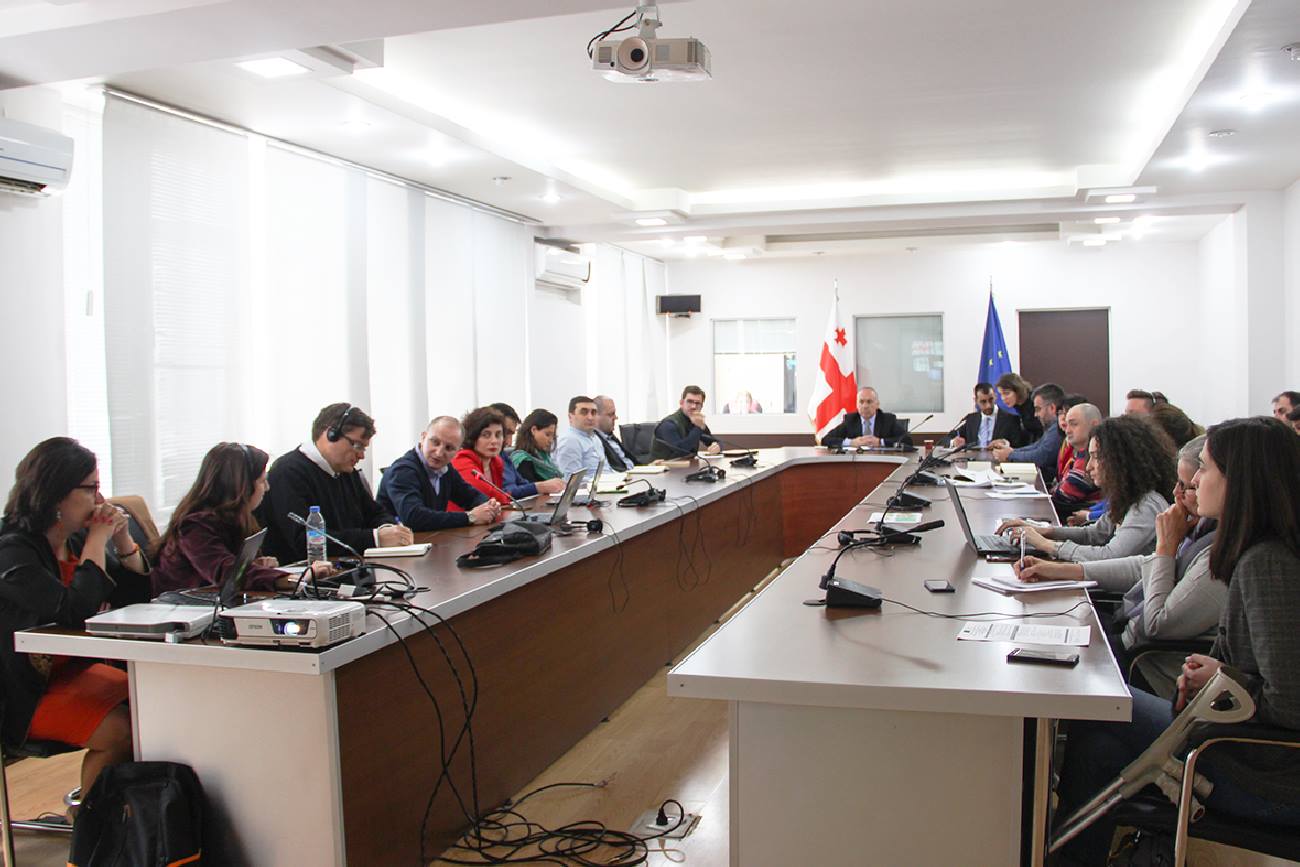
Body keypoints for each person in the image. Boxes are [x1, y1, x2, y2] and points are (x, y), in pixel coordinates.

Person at [1051, 417, 1300, 865]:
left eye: (1204, 467)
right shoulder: (1253, 550)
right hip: (1238, 745)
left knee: (1095, 701)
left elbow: (1291, 704)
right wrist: (1219, 673)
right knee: (1100, 745)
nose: (1194, 481)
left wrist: (1226, 677)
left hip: (1266, 776)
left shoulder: (1268, 563)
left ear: (1241, 480)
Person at [1016, 435, 1223, 698]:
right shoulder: (1198, 527)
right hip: (1127, 633)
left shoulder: (1211, 547)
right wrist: (1057, 569)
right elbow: (1142, 565)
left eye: (1187, 485)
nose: (1176, 494)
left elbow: (1156, 624)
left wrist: (1166, 547)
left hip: (1140, 659)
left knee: (1050, 675)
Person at [0, 438, 143, 798]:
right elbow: (74, 610)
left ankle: (127, 814)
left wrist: (123, 541)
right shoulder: (12, 551)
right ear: (57, 494)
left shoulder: (75, 541)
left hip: (69, 671)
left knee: (155, 704)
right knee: (123, 731)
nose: (100, 499)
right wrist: (98, 537)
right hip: (21, 692)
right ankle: (91, 824)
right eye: (91, 488)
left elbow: (138, 598)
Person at [153, 442, 326, 595]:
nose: (267, 488)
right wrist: (294, 579)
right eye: (262, 481)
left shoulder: (235, 518)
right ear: (242, 486)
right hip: (181, 610)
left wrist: (256, 565)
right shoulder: (195, 526)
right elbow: (227, 573)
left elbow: (231, 569)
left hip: (211, 604)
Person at [998, 415, 1175, 562]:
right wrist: (1044, 531)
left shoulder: (1146, 505)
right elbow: (1095, 533)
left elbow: (1110, 556)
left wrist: (1046, 544)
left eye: (1096, 457)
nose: (1088, 466)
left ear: (1121, 460)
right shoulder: (1128, 497)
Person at [261, 403, 412, 563]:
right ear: (330, 434)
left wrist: (389, 529)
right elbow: (304, 540)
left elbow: (375, 513)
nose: (361, 455)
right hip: (302, 572)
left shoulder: (346, 471)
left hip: (346, 566)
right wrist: (375, 538)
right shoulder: (287, 472)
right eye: (357, 445)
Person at [377, 417, 501, 531]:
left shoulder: (445, 469)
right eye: (435, 442)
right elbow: (414, 518)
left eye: (449, 448)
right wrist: (470, 517)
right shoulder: (403, 471)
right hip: (401, 544)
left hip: (431, 540)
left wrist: (489, 506)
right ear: (423, 437)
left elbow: (470, 496)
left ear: (458, 452)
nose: (439, 453)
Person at [452, 406, 544, 506]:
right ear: (473, 437)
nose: (494, 441)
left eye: (498, 435)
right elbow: (489, 497)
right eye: (486, 435)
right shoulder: (462, 461)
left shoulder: (496, 462)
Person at [990, 382, 1065, 486]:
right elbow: (1036, 446)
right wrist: (1011, 451)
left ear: (1052, 408)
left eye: (1038, 409)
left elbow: (1041, 456)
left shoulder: (1058, 429)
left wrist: (1010, 454)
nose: (1035, 414)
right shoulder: (1052, 428)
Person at [489, 403, 563, 497]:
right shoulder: (522, 459)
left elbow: (521, 484)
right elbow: (507, 492)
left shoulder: (503, 457)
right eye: (547, 434)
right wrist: (541, 487)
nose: (509, 442)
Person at [1051, 402, 1103, 521]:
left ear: (1094, 425)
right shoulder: (1078, 455)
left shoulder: (1093, 461)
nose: (1067, 430)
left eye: (1074, 424)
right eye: (1066, 424)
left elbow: (1062, 497)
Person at [820, 387, 912, 450]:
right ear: (857, 405)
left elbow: (907, 440)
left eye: (869, 402)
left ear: (877, 404)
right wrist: (852, 442)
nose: (865, 406)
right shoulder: (851, 420)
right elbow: (826, 440)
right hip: (856, 463)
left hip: (881, 462)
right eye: (861, 402)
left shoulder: (888, 419)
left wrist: (880, 442)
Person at [651, 386, 721, 460]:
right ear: (681, 403)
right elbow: (682, 451)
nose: (693, 406)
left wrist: (718, 447)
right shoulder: (668, 424)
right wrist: (698, 428)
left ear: (702, 406)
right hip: (664, 466)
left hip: (688, 465)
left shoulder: (697, 422)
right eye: (689, 401)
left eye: (698, 403)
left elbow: (713, 441)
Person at [947, 382, 1024, 449]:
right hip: (973, 459)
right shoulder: (970, 419)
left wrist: (1006, 443)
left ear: (995, 397)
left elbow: (1019, 446)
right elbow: (945, 439)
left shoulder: (1011, 419)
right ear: (976, 401)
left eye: (991, 400)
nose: (988, 406)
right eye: (983, 402)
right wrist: (953, 442)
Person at [554, 396, 605, 480]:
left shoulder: (595, 438)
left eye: (593, 412)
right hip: (593, 487)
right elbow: (571, 481)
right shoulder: (570, 441)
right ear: (570, 417)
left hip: (607, 483)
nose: (590, 417)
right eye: (584, 412)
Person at [511, 409, 563, 483]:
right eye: (547, 434)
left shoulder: (544, 457)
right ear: (534, 430)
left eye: (553, 436)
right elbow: (530, 488)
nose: (551, 440)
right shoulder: (523, 460)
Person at [995, 372, 1042, 443]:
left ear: (1018, 391)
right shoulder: (1018, 406)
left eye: (1007, 393)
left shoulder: (1034, 401)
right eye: (1001, 394)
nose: (1003, 398)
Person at [593, 396, 636, 471]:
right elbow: (614, 470)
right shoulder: (594, 441)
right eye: (611, 414)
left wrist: (648, 466)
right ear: (596, 416)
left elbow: (630, 461)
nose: (616, 417)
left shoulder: (610, 436)